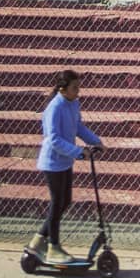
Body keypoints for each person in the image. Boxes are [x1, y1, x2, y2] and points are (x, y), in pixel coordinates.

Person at [28, 69, 103, 265]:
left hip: (65, 162)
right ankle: (53, 247)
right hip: (52, 163)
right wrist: (78, 151)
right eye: (74, 88)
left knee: (65, 201)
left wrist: (96, 141)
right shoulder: (55, 107)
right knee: (57, 203)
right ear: (63, 89)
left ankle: (37, 242)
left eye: (79, 87)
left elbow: (78, 127)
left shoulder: (72, 103)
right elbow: (53, 139)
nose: (78, 91)